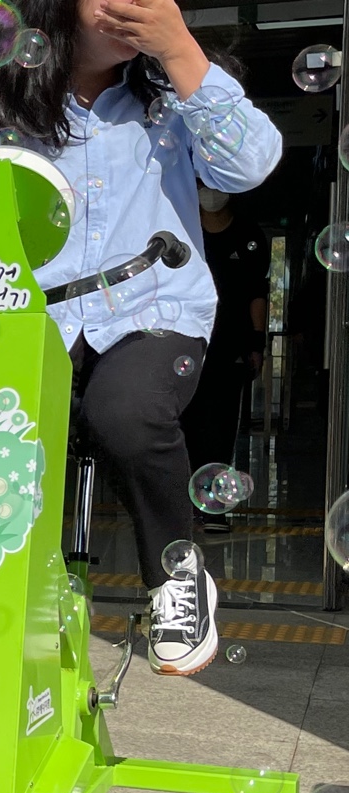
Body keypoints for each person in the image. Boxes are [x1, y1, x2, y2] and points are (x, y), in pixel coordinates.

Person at [0, 0, 281, 675]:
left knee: (125, 412)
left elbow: (249, 166)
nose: (134, 4)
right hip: (38, 312)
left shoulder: (172, 88)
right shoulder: (1, 92)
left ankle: (176, 575)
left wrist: (179, 48)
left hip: (154, 307)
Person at [181, 181, 269, 533]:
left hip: (231, 347)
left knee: (221, 426)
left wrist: (257, 344)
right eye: (202, 185)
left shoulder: (249, 236)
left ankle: (214, 506)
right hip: (188, 343)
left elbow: (257, 293)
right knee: (185, 424)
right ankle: (187, 503)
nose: (210, 193)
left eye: (215, 186)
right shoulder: (185, 229)